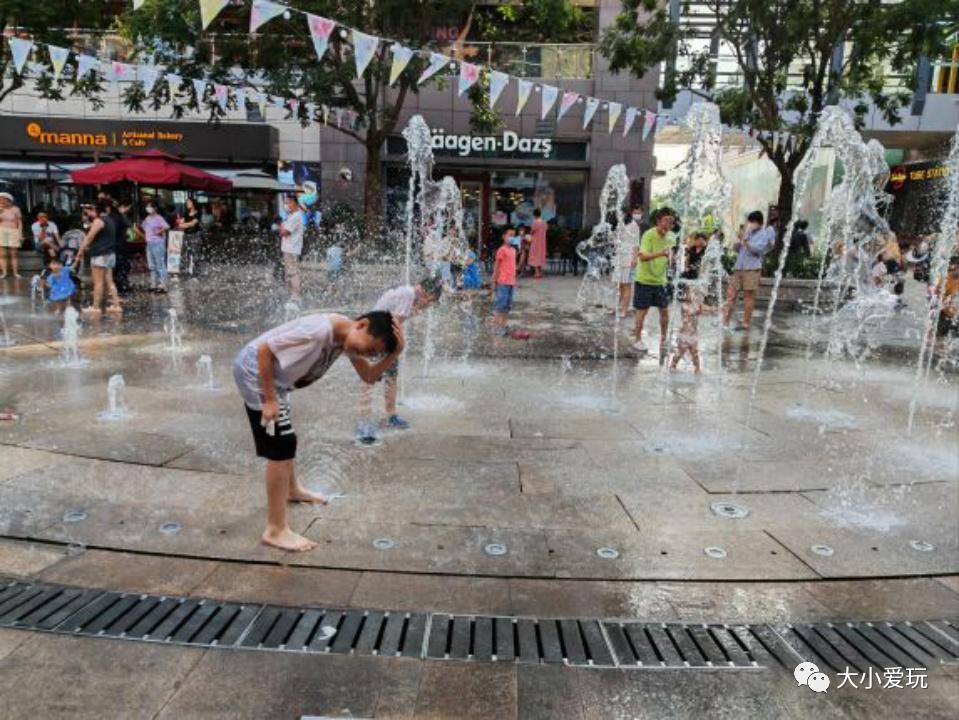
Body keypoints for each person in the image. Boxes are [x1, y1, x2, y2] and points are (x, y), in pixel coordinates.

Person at [232, 310, 404, 552]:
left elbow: (369, 375)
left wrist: (395, 353)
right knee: (281, 446)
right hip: (256, 374)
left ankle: (292, 490)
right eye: (369, 349)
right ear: (362, 325)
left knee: (287, 438)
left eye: (372, 354)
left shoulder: (346, 337)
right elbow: (265, 350)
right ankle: (275, 530)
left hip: (275, 381)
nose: (366, 355)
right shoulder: (319, 331)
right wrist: (269, 399)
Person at [355, 276, 443, 442]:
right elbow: (396, 322)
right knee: (369, 380)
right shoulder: (408, 294)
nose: (428, 303)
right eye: (430, 300)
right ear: (425, 291)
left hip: (385, 338)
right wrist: (400, 344)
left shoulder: (409, 296)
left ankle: (391, 414)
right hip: (374, 337)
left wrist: (417, 310)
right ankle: (363, 422)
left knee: (391, 377)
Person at [632, 207, 676, 355]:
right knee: (641, 313)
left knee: (665, 312)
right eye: (665, 221)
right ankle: (637, 339)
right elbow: (642, 256)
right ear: (658, 221)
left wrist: (673, 258)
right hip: (644, 281)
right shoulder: (648, 235)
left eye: (670, 222)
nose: (667, 225)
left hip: (661, 282)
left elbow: (671, 257)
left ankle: (664, 339)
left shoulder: (671, 237)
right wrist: (661, 253)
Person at [723, 210, 774, 331]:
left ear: (760, 222)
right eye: (750, 221)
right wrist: (738, 241)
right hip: (739, 267)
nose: (750, 224)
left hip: (752, 268)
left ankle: (745, 323)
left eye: (753, 222)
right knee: (731, 294)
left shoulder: (764, 234)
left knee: (748, 296)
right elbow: (738, 249)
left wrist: (745, 241)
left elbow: (757, 250)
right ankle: (725, 321)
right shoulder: (748, 232)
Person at [73, 202, 121, 315]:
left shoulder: (98, 221)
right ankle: (116, 305)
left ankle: (95, 307)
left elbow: (89, 238)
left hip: (99, 255)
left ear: (95, 210)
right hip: (110, 254)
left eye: (88, 212)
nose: (88, 214)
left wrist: (79, 254)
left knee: (98, 282)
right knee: (110, 282)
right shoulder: (109, 220)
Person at [669, 286, 717, 374]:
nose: (694, 295)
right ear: (685, 295)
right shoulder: (684, 305)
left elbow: (705, 309)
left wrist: (713, 309)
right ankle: (673, 366)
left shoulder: (697, 305)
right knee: (680, 352)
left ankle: (697, 369)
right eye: (691, 293)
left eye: (695, 293)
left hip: (693, 334)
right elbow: (692, 312)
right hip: (684, 334)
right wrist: (701, 310)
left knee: (695, 353)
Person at [613, 214, 641, 317]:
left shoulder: (634, 225)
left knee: (626, 285)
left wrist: (634, 258)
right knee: (619, 285)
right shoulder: (619, 224)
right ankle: (617, 307)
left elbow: (636, 243)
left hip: (629, 257)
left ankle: (624, 310)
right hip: (619, 257)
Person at [492, 229, 518, 334]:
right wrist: (493, 281)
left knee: (507, 306)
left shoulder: (513, 250)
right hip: (502, 282)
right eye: (510, 235)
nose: (512, 237)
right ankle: (496, 327)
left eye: (513, 235)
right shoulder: (501, 250)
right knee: (500, 306)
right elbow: (497, 266)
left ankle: (503, 325)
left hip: (511, 282)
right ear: (504, 236)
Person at [142, 202, 170, 293]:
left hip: (158, 243)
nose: (148, 208)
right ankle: (153, 284)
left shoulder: (159, 218)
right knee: (152, 265)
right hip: (149, 243)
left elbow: (167, 226)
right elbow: (144, 227)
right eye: (147, 206)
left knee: (160, 265)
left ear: (155, 208)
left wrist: (159, 231)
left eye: (149, 206)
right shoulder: (147, 218)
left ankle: (163, 285)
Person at [279, 195, 304, 301]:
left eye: (288, 202)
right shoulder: (292, 215)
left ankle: (296, 295)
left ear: (294, 203)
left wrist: (281, 227)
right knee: (290, 272)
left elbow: (284, 232)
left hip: (291, 249)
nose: (286, 205)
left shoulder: (295, 216)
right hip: (289, 248)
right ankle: (294, 294)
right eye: (285, 203)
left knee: (293, 272)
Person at [0, 192, 23, 279]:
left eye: (3, 199)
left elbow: (19, 222)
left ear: (8, 200)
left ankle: (15, 272)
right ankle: (4, 272)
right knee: (2, 254)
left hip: (13, 231)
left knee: (14, 254)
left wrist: (20, 233)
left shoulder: (16, 209)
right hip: (1, 231)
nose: (1, 200)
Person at [178, 197, 201, 276]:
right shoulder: (185, 213)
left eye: (188, 202)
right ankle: (184, 272)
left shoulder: (198, 213)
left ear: (193, 203)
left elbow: (193, 224)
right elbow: (180, 225)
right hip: (186, 235)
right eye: (186, 202)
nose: (187, 204)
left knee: (195, 255)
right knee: (184, 254)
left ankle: (195, 274)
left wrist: (186, 224)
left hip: (195, 235)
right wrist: (187, 224)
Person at [529, 209, 548, 278]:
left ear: (534, 215)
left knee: (534, 256)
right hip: (542, 242)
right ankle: (541, 272)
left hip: (536, 242)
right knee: (540, 256)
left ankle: (537, 273)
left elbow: (532, 231)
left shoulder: (535, 222)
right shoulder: (544, 222)